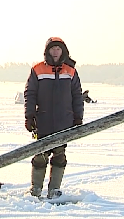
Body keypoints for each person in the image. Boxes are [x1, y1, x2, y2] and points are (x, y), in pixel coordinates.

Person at [24, 37, 84, 199]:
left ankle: (54, 190)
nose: (55, 52)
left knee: (59, 156)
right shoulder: (37, 70)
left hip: (64, 122)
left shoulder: (70, 71)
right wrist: (29, 116)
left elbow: (77, 96)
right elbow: (30, 94)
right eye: (53, 49)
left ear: (63, 51)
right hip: (42, 122)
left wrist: (78, 117)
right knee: (39, 156)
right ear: (48, 51)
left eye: (58, 49)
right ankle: (36, 189)